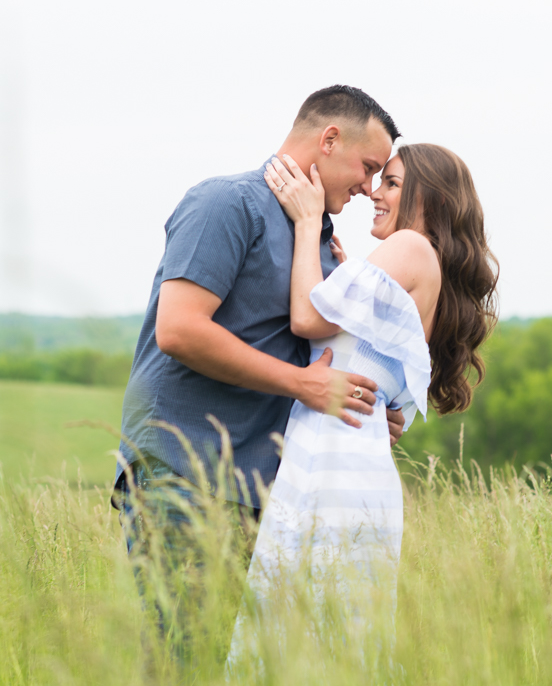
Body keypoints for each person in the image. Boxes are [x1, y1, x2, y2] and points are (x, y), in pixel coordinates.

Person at [114, 86, 407, 578]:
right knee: (182, 652)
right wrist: (303, 385)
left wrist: (372, 407)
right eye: (369, 166)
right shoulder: (226, 203)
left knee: (242, 656)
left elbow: (315, 347)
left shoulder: (316, 235)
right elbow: (179, 330)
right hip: (184, 475)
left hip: (269, 493)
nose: (368, 186)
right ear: (330, 139)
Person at [227, 142, 499, 667]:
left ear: (430, 200)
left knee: (295, 635)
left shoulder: (412, 249)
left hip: (334, 465)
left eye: (392, 183)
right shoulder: (423, 265)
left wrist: (308, 223)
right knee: (330, 638)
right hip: (349, 459)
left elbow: (308, 320)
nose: (374, 192)